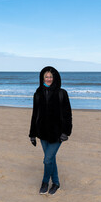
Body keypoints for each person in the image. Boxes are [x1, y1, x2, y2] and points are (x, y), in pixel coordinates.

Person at [29, 66, 72, 195]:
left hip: (57, 134)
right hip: (42, 132)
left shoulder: (61, 93)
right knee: (51, 159)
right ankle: (57, 183)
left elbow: (67, 114)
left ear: (55, 78)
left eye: (51, 77)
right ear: (42, 78)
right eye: (46, 77)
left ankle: (45, 182)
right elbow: (35, 114)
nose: (49, 79)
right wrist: (32, 134)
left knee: (47, 160)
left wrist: (66, 132)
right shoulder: (38, 94)